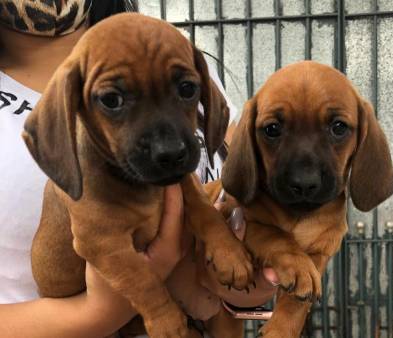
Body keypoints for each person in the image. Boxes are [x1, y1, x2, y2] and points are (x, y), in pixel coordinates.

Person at [0, 1, 277, 337]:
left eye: (186, 91)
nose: (168, 146)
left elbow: (199, 190)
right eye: (113, 100)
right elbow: (95, 241)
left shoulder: (167, 48)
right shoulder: (71, 132)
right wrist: (105, 314)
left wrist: (239, 286)